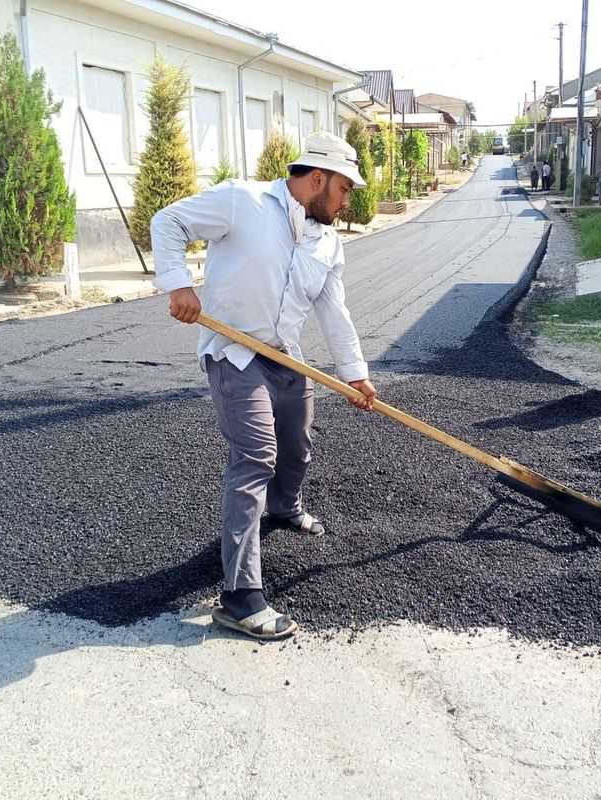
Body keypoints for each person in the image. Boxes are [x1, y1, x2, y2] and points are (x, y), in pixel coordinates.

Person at [150, 131, 377, 640]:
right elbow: (168, 221)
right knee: (256, 458)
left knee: (297, 446)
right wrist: (178, 283)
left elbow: (333, 311)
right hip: (235, 353)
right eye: (344, 189)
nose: (346, 201)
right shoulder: (242, 201)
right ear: (318, 178)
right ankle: (238, 597)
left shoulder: (327, 240)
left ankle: (285, 506)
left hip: (285, 354)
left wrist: (355, 373)